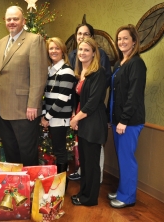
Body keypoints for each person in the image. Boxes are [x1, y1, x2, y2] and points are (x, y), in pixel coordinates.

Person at [0, 6, 48, 166]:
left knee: (27, 153)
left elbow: (39, 75)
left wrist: (33, 105)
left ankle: (30, 188)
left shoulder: (34, 40)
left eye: (15, 19)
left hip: (24, 110)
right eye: (8, 19)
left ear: (23, 21)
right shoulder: (1, 42)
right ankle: (15, 187)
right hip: (3, 110)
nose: (11, 22)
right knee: (11, 153)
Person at [108, 24, 146, 209]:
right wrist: (113, 119)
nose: (121, 41)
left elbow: (134, 95)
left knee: (127, 159)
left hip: (129, 122)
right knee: (121, 157)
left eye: (125, 38)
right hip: (118, 121)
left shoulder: (136, 63)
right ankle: (123, 190)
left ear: (133, 41)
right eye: (119, 39)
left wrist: (123, 120)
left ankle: (127, 197)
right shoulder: (119, 63)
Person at [68, 23, 111, 182]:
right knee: (84, 155)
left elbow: (97, 92)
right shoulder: (74, 58)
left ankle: (93, 185)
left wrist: (78, 116)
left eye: (86, 34)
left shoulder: (99, 66)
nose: (82, 37)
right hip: (80, 112)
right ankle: (84, 183)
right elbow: (76, 89)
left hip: (91, 115)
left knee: (92, 157)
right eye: (79, 33)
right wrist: (75, 112)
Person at [70, 38, 108, 206]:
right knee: (84, 164)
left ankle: (90, 198)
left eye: (86, 50)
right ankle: (83, 193)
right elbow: (78, 99)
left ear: (94, 53)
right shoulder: (81, 73)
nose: (82, 53)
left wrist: (76, 118)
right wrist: (75, 116)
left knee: (92, 165)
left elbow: (92, 102)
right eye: (80, 50)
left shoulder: (99, 72)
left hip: (94, 124)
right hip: (84, 123)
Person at [41, 37, 75, 183]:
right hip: (51, 117)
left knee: (60, 151)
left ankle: (62, 184)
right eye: (51, 48)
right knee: (57, 150)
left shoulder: (67, 71)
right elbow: (45, 96)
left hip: (59, 118)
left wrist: (46, 117)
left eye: (57, 48)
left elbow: (62, 99)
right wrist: (45, 115)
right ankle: (59, 182)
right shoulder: (50, 70)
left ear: (63, 51)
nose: (54, 51)